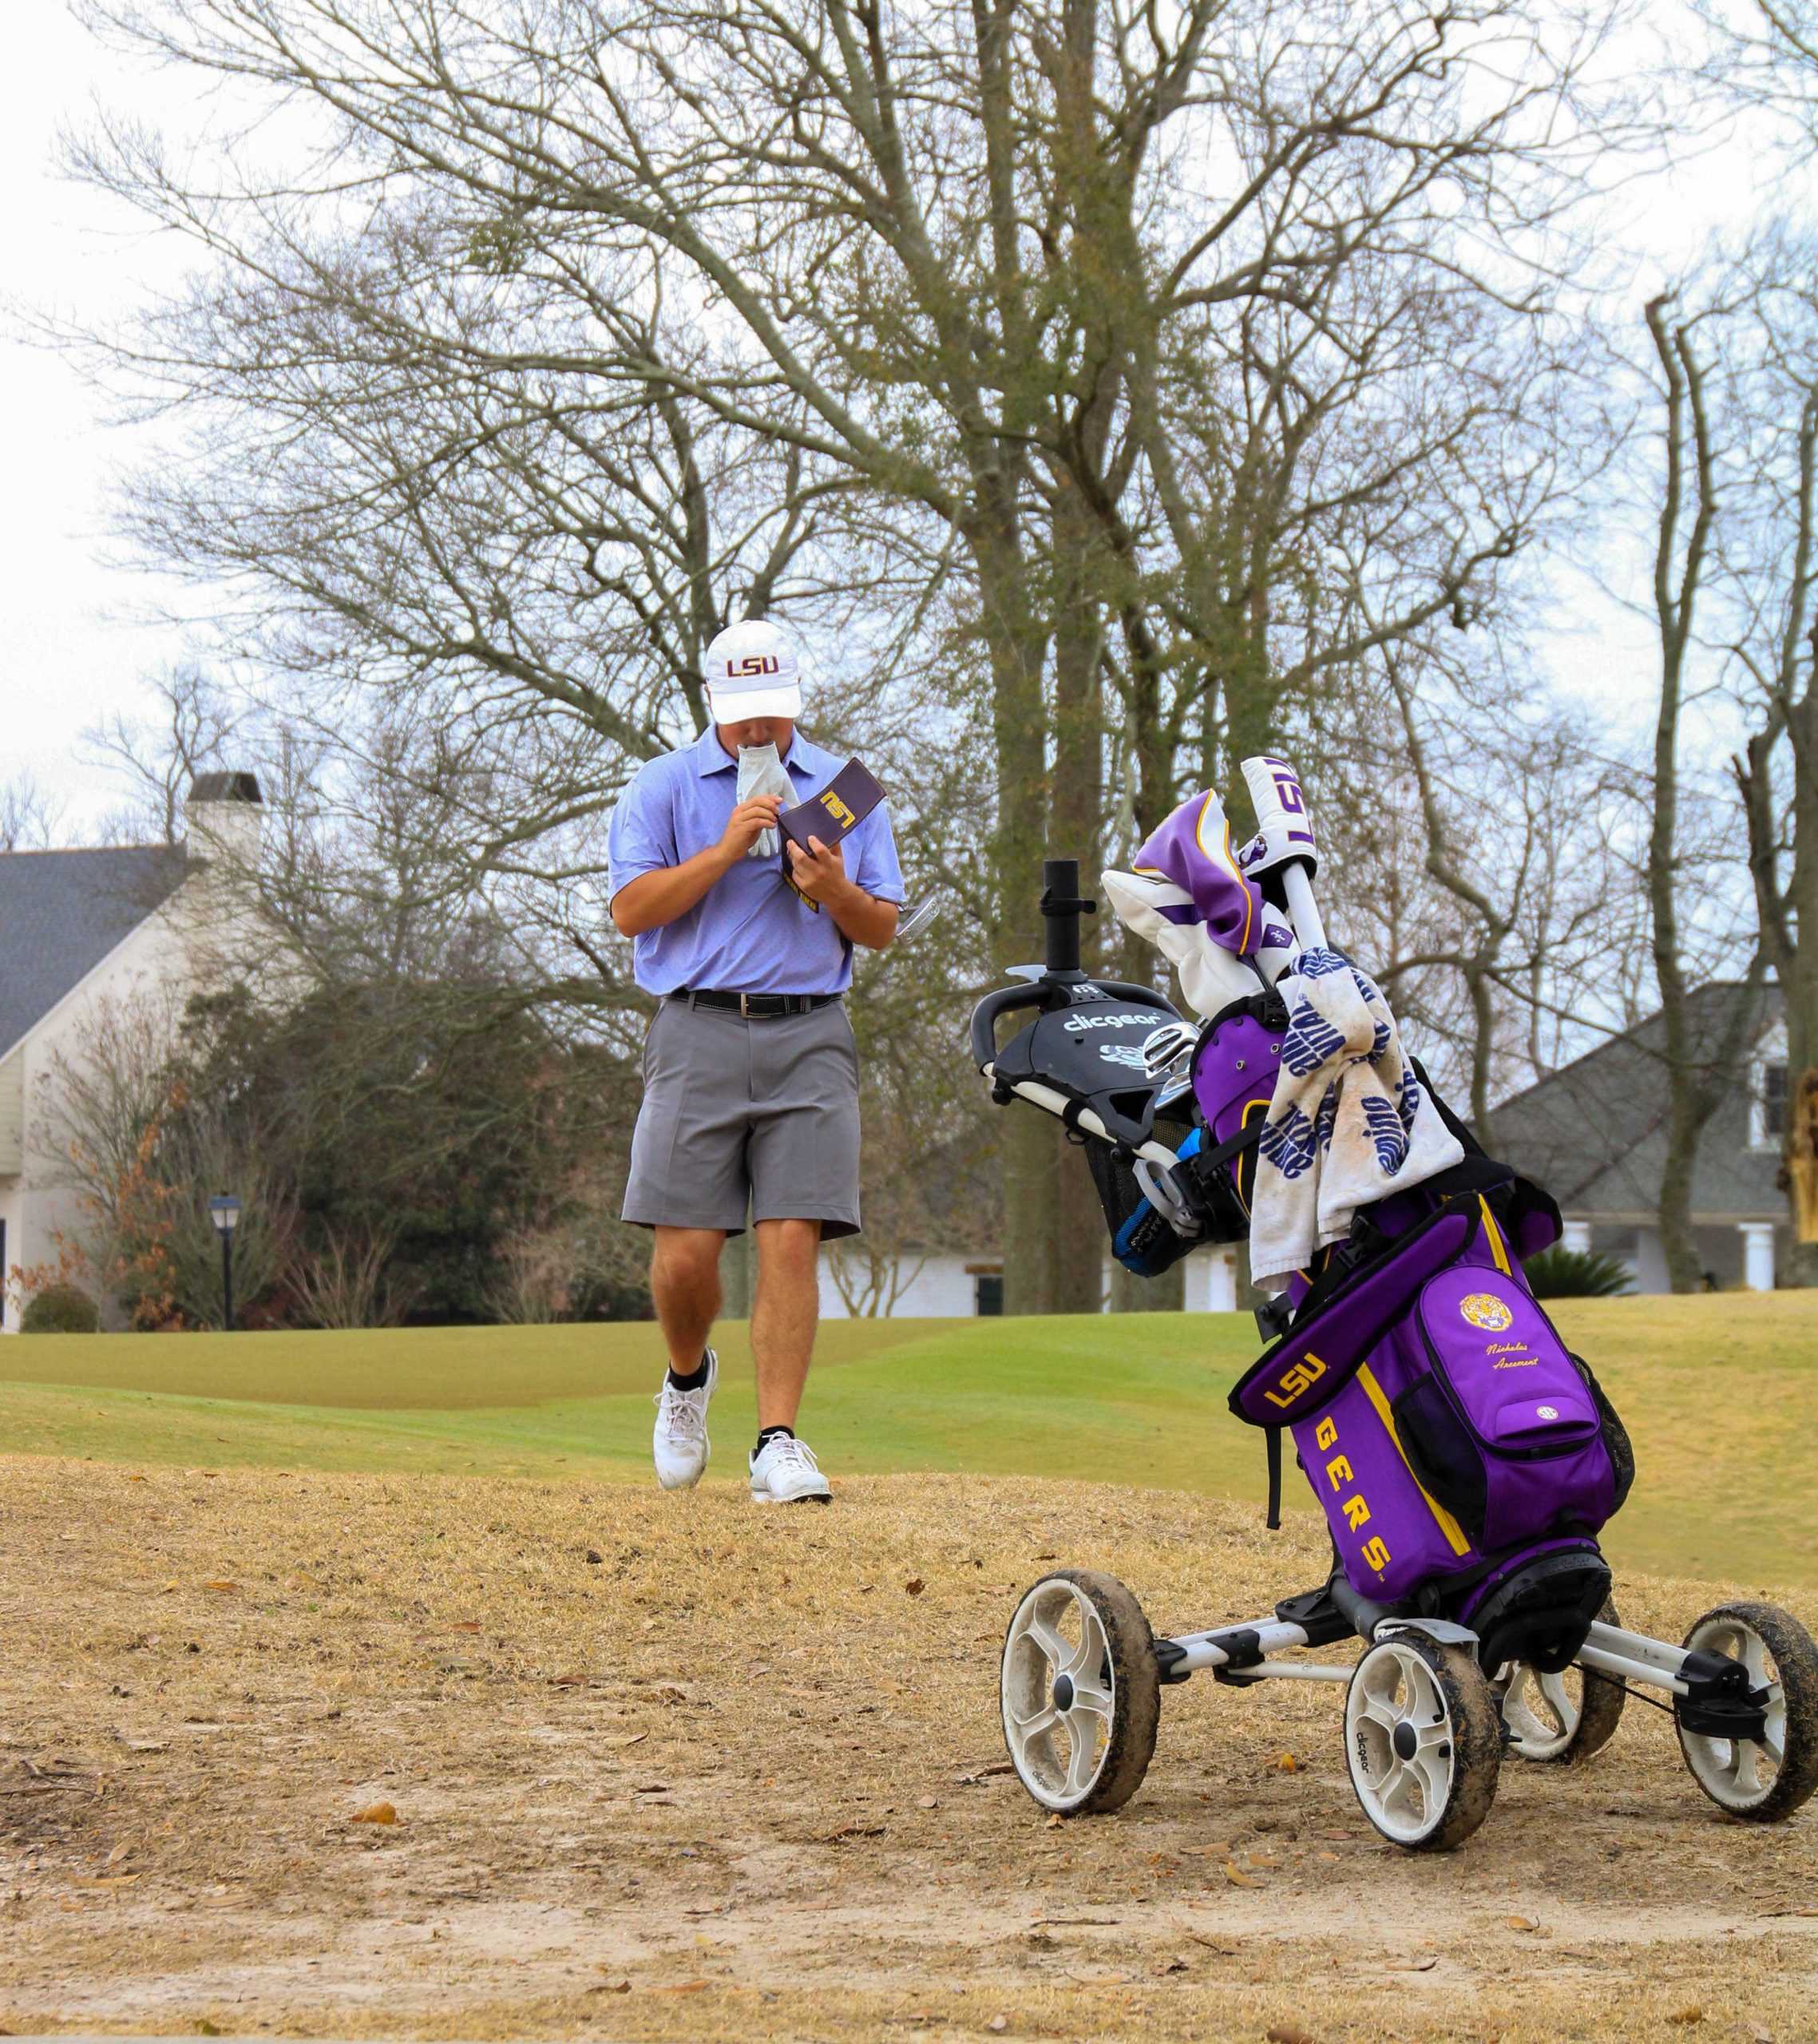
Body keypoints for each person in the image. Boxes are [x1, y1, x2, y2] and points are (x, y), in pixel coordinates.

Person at [606, 619, 903, 1503]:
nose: (759, 732)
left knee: (790, 1234)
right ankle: (687, 1381)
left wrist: (835, 890)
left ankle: (777, 1439)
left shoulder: (847, 790)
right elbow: (630, 910)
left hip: (811, 1030)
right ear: (713, 706)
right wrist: (725, 850)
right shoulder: (661, 786)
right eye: (743, 717)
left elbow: (881, 924)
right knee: (685, 1256)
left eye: (772, 713)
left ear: (793, 702)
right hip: (694, 1027)